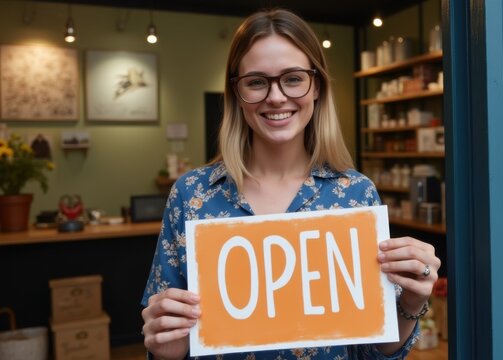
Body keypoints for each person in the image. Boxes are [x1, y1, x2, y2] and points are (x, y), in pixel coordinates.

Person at [141, 8, 441, 360]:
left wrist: (412, 299)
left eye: (293, 78)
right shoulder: (191, 194)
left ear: (316, 86)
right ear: (236, 93)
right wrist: (165, 347)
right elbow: (169, 341)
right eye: (256, 81)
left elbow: (377, 349)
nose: (276, 96)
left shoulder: (357, 194)